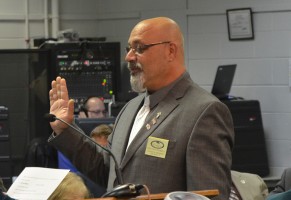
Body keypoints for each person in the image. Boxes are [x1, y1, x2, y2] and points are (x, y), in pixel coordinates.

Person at [48, 17, 234, 200]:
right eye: (129, 49)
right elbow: (107, 171)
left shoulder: (203, 111)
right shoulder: (131, 108)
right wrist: (64, 128)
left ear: (170, 51)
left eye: (139, 48)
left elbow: (209, 197)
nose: (128, 57)